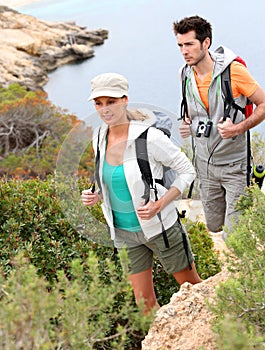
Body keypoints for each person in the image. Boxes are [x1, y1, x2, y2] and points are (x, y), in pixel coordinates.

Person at [81, 72, 202, 314]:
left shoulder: (149, 138)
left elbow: (188, 171)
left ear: (125, 100)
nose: (104, 109)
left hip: (161, 229)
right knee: (144, 304)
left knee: (193, 290)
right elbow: (115, 182)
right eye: (99, 103)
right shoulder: (98, 138)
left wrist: (161, 204)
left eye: (111, 102)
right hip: (124, 234)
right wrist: (96, 196)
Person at [173, 15, 265, 239]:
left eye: (189, 44)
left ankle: (253, 181)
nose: (184, 51)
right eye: (180, 45)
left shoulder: (234, 73)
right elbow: (192, 110)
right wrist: (186, 122)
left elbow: (263, 104)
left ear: (206, 43)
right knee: (214, 226)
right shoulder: (185, 74)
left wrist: (237, 129)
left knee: (234, 234)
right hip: (205, 166)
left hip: (235, 165)